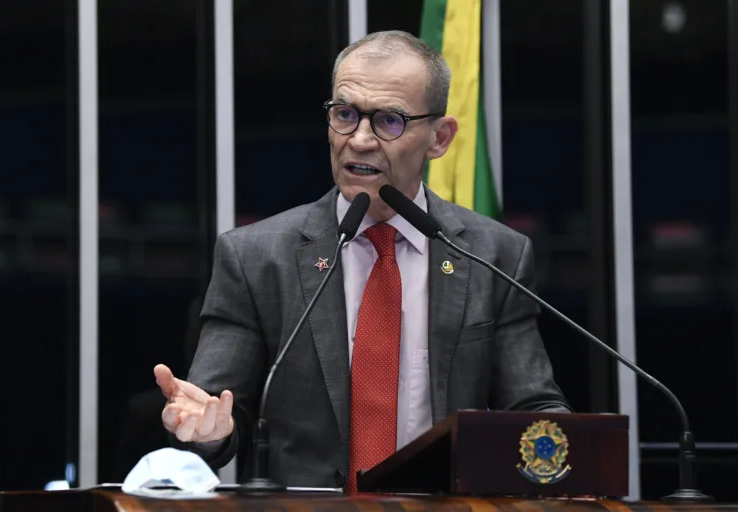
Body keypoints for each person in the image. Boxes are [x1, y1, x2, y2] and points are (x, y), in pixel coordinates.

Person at [153, 30, 570, 492]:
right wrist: (209, 430)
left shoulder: (495, 255)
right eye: (346, 115)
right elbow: (219, 414)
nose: (361, 140)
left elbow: (531, 407)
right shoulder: (255, 257)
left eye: (390, 120)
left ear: (440, 137)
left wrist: (569, 458)